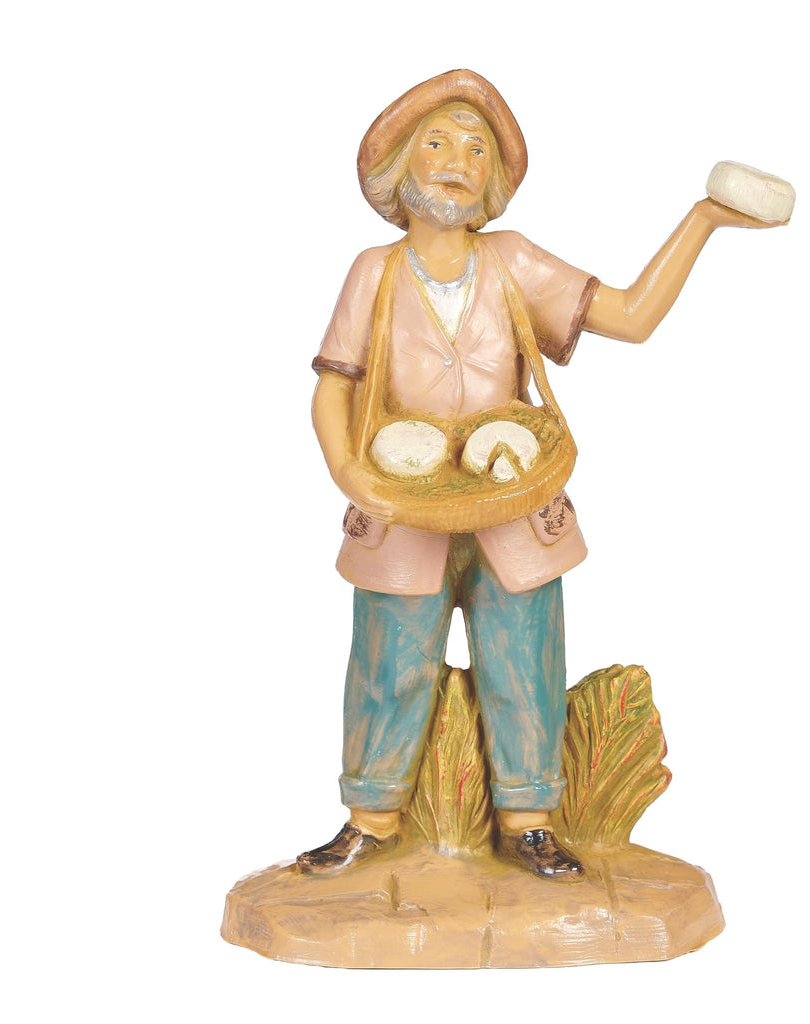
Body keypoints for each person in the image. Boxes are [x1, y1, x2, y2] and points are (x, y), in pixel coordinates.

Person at [299, 70, 781, 880]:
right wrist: (351, 470)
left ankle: (529, 820)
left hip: (511, 500)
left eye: (477, 150)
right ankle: (371, 818)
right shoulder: (374, 271)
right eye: (438, 143)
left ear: (494, 181)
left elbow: (631, 316)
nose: (458, 162)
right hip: (401, 506)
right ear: (397, 168)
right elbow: (334, 385)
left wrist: (703, 220)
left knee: (524, 656)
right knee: (388, 661)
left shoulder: (512, 260)